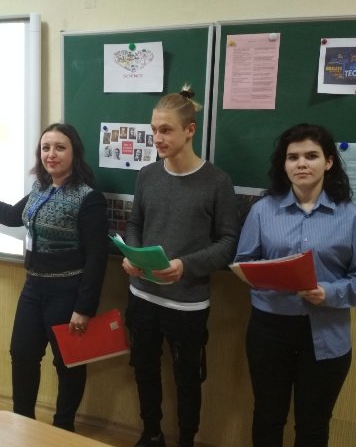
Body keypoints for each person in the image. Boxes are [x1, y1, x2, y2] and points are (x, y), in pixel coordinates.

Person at [234, 123, 356, 447]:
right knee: (268, 417)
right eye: (293, 157)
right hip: (269, 330)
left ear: (328, 162)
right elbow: (245, 262)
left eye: (311, 156)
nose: (301, 163)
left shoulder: (351, 216)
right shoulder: (262, 211)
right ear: (284, 164)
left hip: (326, 332)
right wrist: (270, 275)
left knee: (313, 426)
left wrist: (330, 293)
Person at [0, 123, 109, 432]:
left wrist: (84, 307)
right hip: (34, 287)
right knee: (22, 355)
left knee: (68, 362)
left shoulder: (88, 197)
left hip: (68, 291)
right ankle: (23, 422)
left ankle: (63, 429)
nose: (51, 154)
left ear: (75, 152)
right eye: (46, 148)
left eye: (60, 147)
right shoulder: (41, 188)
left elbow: (97, 256)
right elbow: (12, 216)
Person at [122, 85, 240, 447]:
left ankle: (186, 439)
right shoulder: (147, 175)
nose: (157, 138)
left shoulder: (217, 182)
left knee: (188, 378)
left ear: (190, 130)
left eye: (166, 130)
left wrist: (185, 266)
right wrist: (133, 253)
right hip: (143, 296)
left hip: (187, 303)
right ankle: (151, 434)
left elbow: (228, 244)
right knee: (144, 370)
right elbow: (135, 223)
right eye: (154, 130)